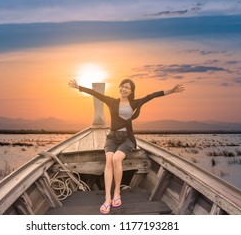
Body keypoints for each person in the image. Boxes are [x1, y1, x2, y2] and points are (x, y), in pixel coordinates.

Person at [68, 78, 184, 214]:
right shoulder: (112, 101)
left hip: (127, 139)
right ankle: (107, 198)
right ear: (119, 88)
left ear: (131, 91)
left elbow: (151, 96)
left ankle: (117, 192)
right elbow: (95, 93)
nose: (124, 89)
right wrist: (78, 87)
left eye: (127, 88)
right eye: (122, 86)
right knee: (109, 160)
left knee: (116, 159)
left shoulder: (134, 103)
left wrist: (171, 91)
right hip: (112, 138)